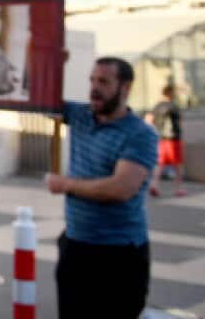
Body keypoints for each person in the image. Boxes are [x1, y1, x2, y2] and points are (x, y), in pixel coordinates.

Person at [45, 57, 157, 319]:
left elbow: (120, 188)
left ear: (125, 87)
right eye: (92, 80)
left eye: (104, 81)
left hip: (118, 257)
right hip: (76, 248)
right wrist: (49, 61)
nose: (94, 88)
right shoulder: (81, 115)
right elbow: (38, 101)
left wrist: (66, 185)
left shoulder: (140, 134)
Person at [148, 84, 185, 198]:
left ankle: (154, 185)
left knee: (159, 164)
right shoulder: (173, 106)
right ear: (171, 94)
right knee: (177, 165)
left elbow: (148, 119)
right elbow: (178, 122)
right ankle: (178, 189)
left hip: (160, 139)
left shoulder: (157, 106)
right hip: (173, 139)